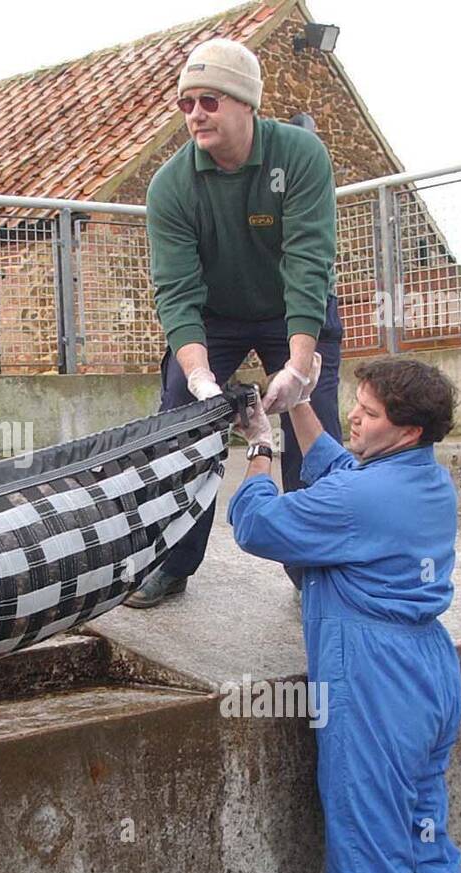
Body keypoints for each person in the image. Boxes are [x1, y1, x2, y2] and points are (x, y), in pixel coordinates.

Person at [227, 356, 461, 873]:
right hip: (430, 675)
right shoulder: (428, 478)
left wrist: (261, 447)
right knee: (424, 843)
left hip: (375, 683)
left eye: (370, 414)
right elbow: (344, 469)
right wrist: (299, 405)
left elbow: (257, 524)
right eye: (355, 406)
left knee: (368, 858)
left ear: (408, 430)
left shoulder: (361, 500)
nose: (355, 419)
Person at [127, 36, 344, 608]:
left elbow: (307, 262)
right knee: (180, 428)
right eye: (187, 102)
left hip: (291, 309)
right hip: (214, 318)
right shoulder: (171, 185)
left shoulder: (299, 155)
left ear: (247, 103)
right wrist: (198, 377)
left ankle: (313, 571)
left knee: (311, 433)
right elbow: (175, 291)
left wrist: (299, 367)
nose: (196, 113)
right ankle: (172, 563)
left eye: (210, 100)